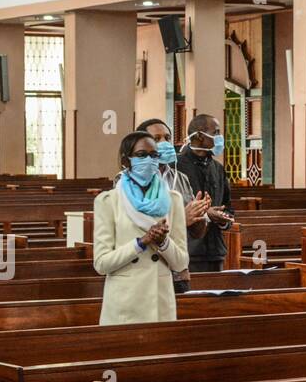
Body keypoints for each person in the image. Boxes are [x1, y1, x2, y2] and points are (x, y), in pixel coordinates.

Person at [92, 130, 189, 325]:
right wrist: (141, 243)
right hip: (125, 303)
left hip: (160, 303)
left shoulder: (172, 200)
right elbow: (101, 264)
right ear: (126, 161)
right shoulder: (109, 201)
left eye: (154, 156)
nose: (149, 160)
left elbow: (181, 263)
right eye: (141, 155)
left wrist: (163, 243)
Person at [139, 117, 210, 293]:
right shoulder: (127, 181)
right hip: (146, 269)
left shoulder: (181, 178)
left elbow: (197, 232)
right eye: (156, 139)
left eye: (167, 138)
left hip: (178, 270)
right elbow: (138, 228)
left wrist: (200, 215)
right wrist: (181, 218)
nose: (164, 143)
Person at [175, 114, 235, 272]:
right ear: (200, 136)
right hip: (188, 250)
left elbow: (228, 207)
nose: (220, 137)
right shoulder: (175, 166)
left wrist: (223, 219)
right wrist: (205, 213)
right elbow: (169, 208)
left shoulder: (217, 168)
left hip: (215, 251)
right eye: (216, 132)